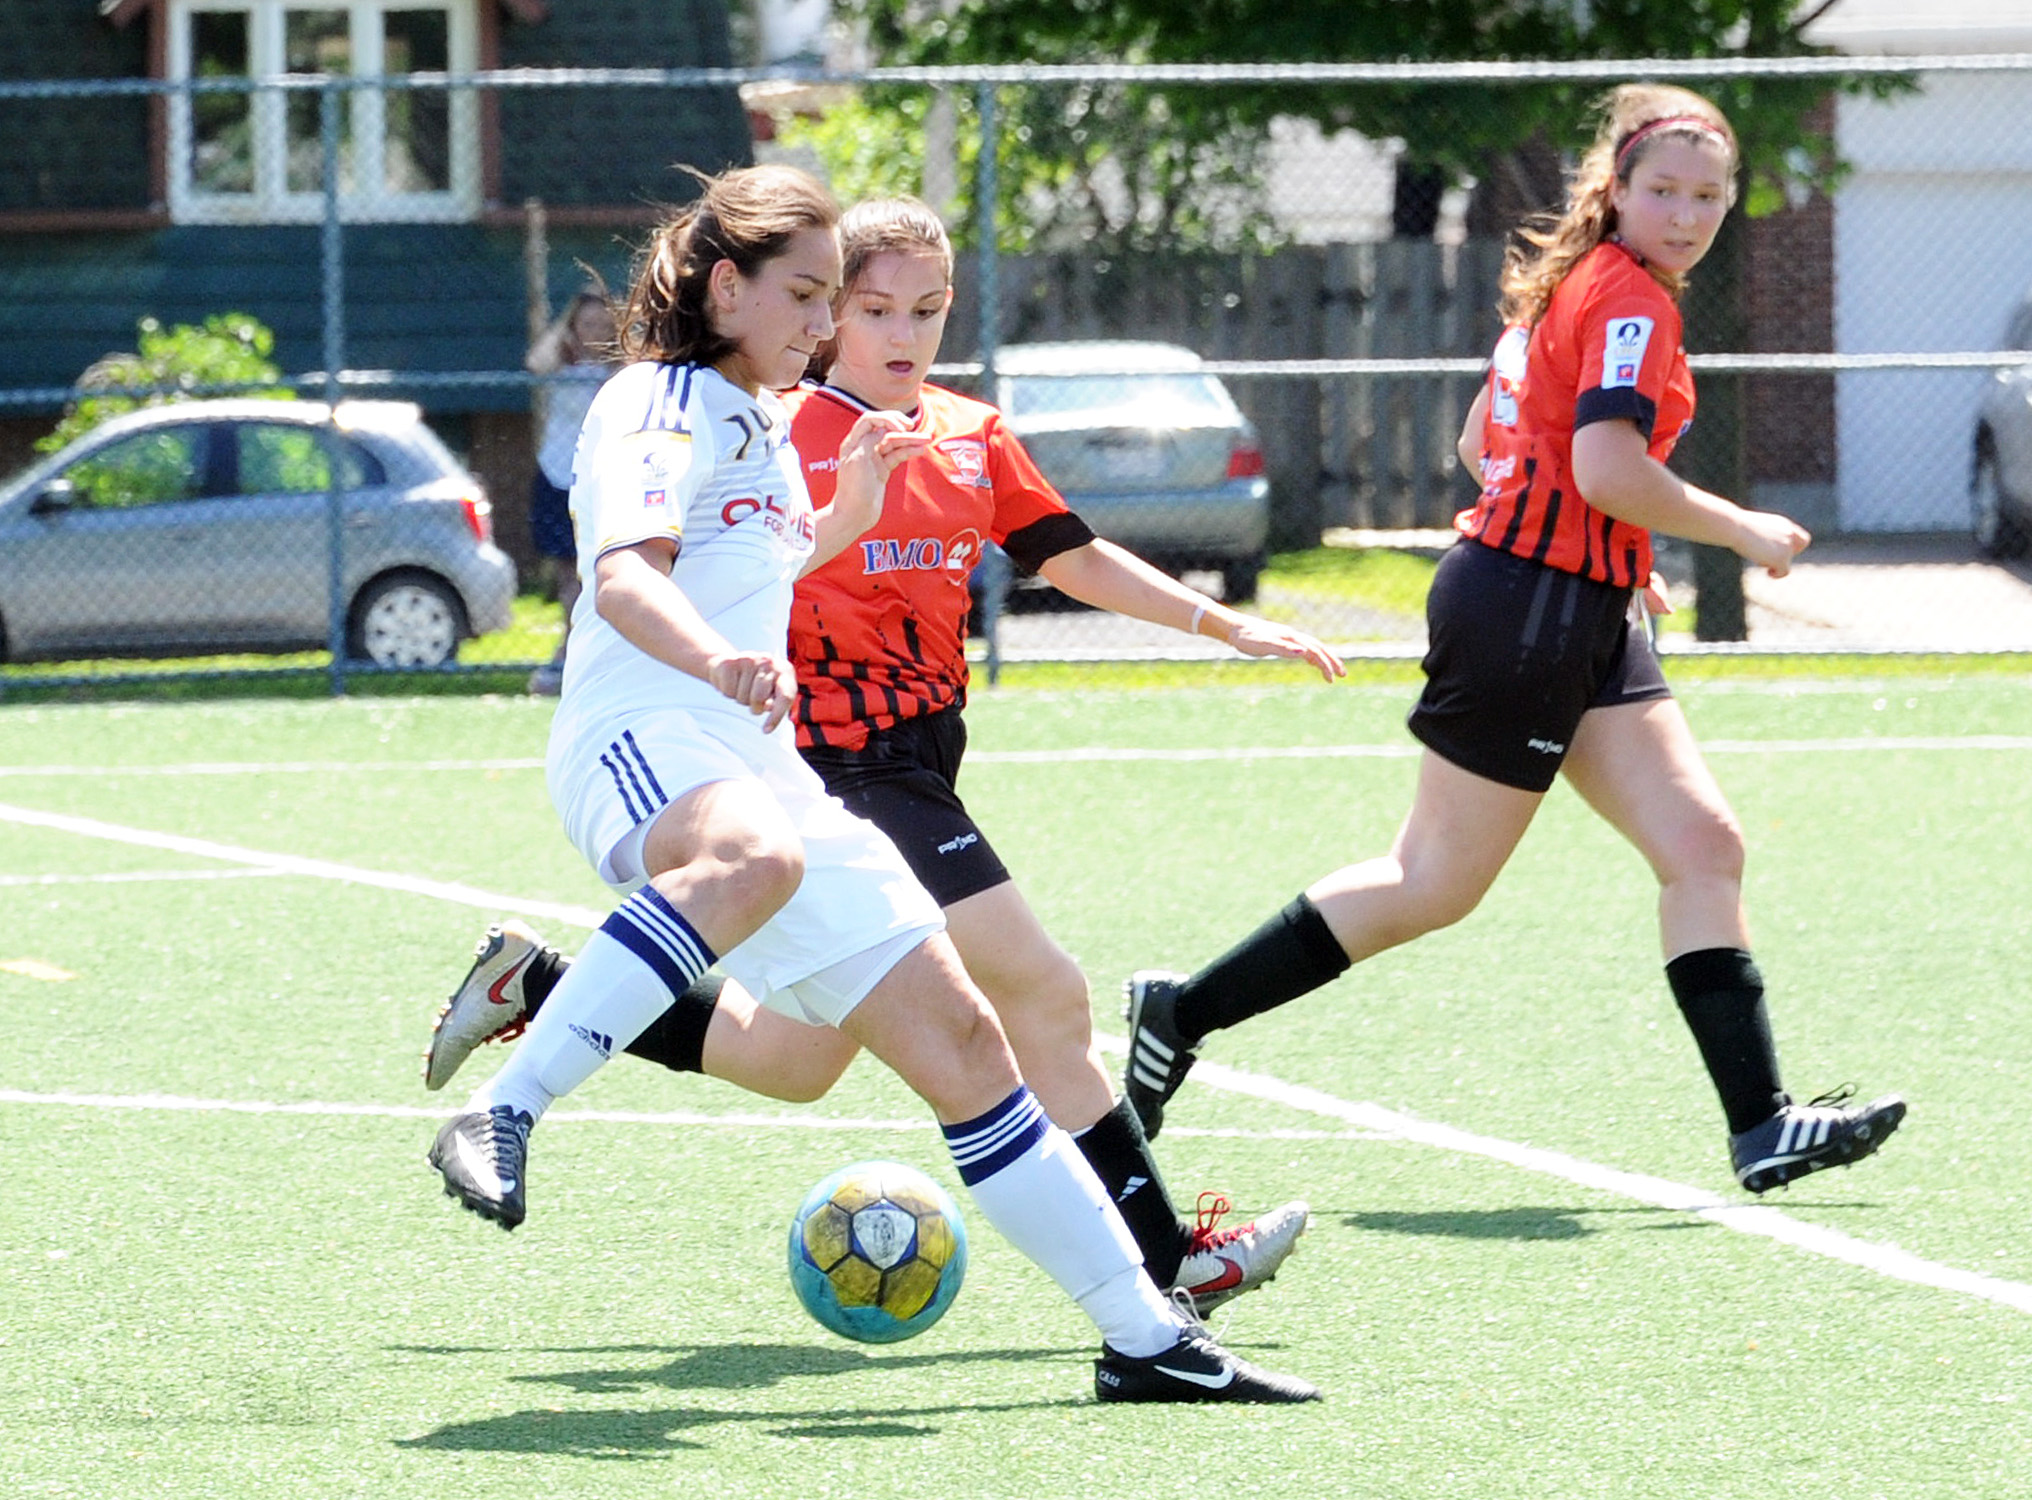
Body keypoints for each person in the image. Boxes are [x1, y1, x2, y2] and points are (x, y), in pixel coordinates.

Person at [426, 162, 1317, 1404]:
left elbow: (785, 554)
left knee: (962, 1041)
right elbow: (626, 582)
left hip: (764, 761)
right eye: (808, 295)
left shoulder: (770, 421)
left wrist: (847, 506)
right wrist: (723, 655)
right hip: (645, 730)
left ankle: (1146, 1336)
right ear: (727, 287)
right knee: (758, 861)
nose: (823, 320)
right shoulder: (655, 401)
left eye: (839, 297)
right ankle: (506, 1114)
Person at [1118, 84, 1907, 1195]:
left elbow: (1484, 439)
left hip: (1573, 606)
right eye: (1664, 190)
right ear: (1616, 191)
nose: (1687, 213)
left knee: (1704, 847)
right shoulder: (1630, 299)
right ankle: (1182, 1013)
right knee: (1431, 882)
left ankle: (1761, 1122)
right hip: (1529, 616)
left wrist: (1606, 556)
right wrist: (1735, 530)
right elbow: (1603, 468)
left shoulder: (1573, 289)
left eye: (1709, 195)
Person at [523, 287, 620, 696]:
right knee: (567, 575)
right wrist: (563, 330)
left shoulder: (620, 373)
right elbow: (535, 363)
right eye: (586, 324)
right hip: (556, 476)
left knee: (597, 573)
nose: (594, 333)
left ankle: (590, 652)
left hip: (599, 479)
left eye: (602, 325)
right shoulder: (559, 364)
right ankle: (568, 649)